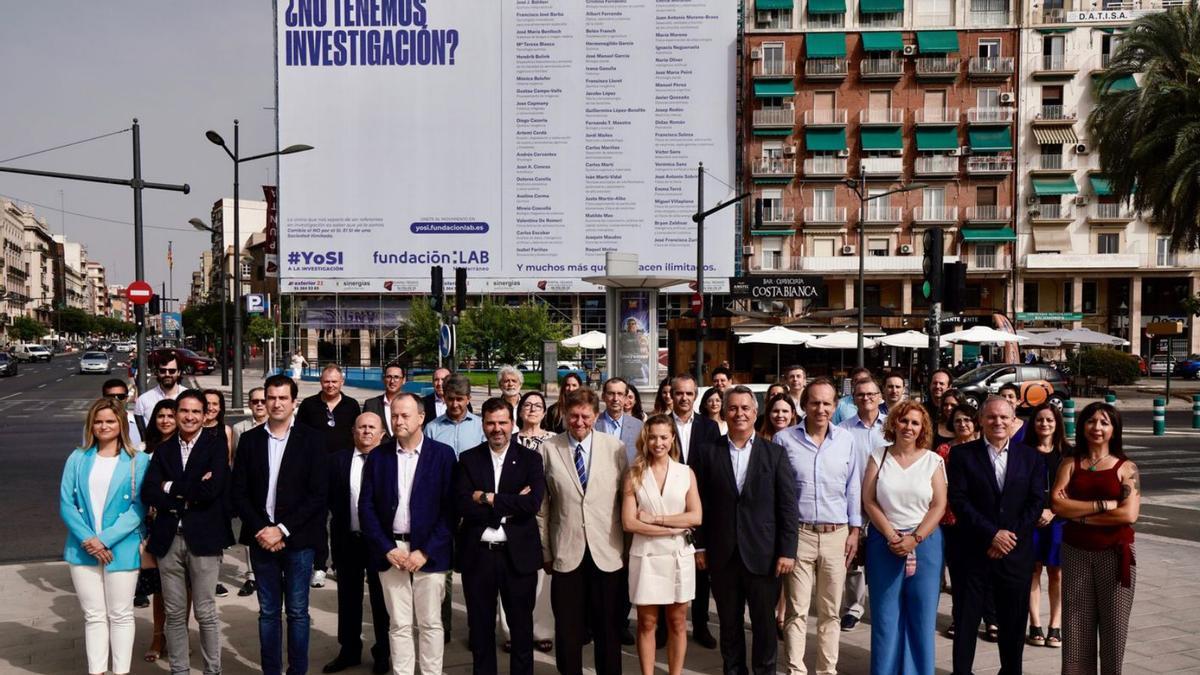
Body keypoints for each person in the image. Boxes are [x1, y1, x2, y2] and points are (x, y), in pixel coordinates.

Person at [693, 385, 799, 675]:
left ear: (755, 413)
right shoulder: (706, 453)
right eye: (733, 408)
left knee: (764, 625)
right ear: (724, 413)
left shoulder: (774, 453)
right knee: (729, 623)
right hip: (722, 554)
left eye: (745, 408)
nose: (739, 413)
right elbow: (697, 502)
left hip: (764, 556)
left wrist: (787, 551)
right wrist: (699, 546)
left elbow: (788, 507)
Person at [232, 374, 330, 675]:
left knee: (298, 613)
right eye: (270, 397)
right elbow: (240, 492)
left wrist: (283, 529)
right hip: (261, 539)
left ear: (294, 403)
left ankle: (297, 670)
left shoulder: (312, 439)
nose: (275, 403)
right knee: (269, 613)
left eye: (282, 398)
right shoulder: (250, 440)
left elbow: (318, 494)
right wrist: (264, 529)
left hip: (298, 540)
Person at [358, 392, 457, 675]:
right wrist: (387, 548)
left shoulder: (442, 455)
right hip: (392, 552)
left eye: (404, 415)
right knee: (398, 624)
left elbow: (450, 510)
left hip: (429, 554)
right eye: (394, 416)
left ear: (421, 418)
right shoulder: (379, 456)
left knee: (430, 623)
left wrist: (425, 551)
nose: (398, 421)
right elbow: (366, 508)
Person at [946, 397, 1046, 675]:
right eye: (991, 417)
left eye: (1004, 417)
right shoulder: (962, 455)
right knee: (966, 621)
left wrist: (1007, 537)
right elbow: (959, 500)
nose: (998, 422)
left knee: (1013, 622)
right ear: (981, 420)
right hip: (973, 553)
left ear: (1014, 421)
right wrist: (991, 535)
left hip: (1015, 555)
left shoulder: (1032, 458)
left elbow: (1036, 502)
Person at [538, 387, 629, 675]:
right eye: (573, 416)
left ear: (596, 415)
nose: (579, 422)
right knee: (567, 631)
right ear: (564, 415)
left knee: (608, 630)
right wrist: (546, 551)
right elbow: (543, 508)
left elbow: (624, 502)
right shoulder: (549, 449)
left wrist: (626, 549)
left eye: (585, 416)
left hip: (608, 552)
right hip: (567, 551)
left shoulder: (615, 448)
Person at [142, 389, 234, 675]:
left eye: (196, 411)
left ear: (205, 414)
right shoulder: (164, 448)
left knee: (205, 612)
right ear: (177, 413)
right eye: (184, 411)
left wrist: (169, 485)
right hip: (169, 538)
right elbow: (148, 491)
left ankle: (212, 670)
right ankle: (179, 670)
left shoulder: (216, 445)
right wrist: (189, 488)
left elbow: (212, 490)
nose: (189, 417)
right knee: (174, 613)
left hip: (204, 538)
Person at [774, 377, 861, 675]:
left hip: (836, 534)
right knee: (796, 610)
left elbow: (853, 488)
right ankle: (795, 670)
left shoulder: (847, 440)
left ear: (835, 406)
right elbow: (779, 491)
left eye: (826, 403)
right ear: (804, 405)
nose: (820, 409)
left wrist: (854, 530)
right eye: (815, 402)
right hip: (799, 534)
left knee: (830, 612)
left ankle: (827, 670)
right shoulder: (784, 439)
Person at [455, 398, 546, 675]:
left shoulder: (531, 459)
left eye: (503, 422)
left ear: (512, 424)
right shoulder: (469, 459)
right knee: (481, 631)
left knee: (521, 630)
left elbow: (532, 504)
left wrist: (487, 498)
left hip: (517, 556)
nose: (497, 429)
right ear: (483, 424)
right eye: (491, 423)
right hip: (479, 556)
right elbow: (462, 505)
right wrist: (508, 504)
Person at [60, 397, 150, 675]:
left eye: (110, 420)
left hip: (121, 548)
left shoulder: (138, 460)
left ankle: (121, 672)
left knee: (121, 615)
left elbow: (138, 508)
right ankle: (97, 671)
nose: (104, 426)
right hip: (82, 548)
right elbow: (66, 503)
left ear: (121, 423)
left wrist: (105, 539)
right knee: (94, 615)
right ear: (91, 425)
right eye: (98, 421)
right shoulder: (77, 458)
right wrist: (90, 540)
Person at [1051, 402, 1139, 675]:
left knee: (1114, 630)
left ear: (1114, 429)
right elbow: (1057, 504)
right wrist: (1103, 505)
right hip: (1076, 551)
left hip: (1115, 555)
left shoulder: (1126, 468)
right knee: (1076, 628)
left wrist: (1079, 514)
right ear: (1081, 426)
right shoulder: (1070, 463)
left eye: (1104, 422)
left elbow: (1128, 514)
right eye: (1091, 421)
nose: (1097, 428)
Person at [861, 401, 947, 675]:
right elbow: (869, 499)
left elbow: (939, 505)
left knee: (921, 617)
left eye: (915, 423)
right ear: (894, 423)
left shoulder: (933, 460)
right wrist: (890, 534)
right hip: (884, 541)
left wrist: (916, 538)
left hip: (925, 543)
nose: (908, 427)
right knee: (886, 617)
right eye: (904, 421)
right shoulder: (879, 456)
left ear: (923, 428)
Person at [622, 415, 702, 675]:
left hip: (678, 556)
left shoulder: (685, 472)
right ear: (646, 438)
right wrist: (674, 528)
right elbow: (629, 523)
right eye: (653, 436)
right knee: (647, 622)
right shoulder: (634, 473)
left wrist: (657, 520)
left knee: (677, 621)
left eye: (664, 437)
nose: (658, 442)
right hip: (646, 557)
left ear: (672, 439)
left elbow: (696, 516)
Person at [323, 412, 391, 674]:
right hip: (347, 540)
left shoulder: (389, 461)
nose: (366, 432)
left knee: (380, 600)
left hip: (380, 543)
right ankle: (349, 650)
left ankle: (383, 651)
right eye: (361, 427)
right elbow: (327, 500)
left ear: (382, 433)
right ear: (353, 431)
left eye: (372, 427)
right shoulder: (336, 461)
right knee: (348, 599)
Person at [296, 364, 361, 588]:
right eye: (326, 381)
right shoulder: (309, 405)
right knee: (318, 522)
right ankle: (320, 566)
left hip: (344, 471)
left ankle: (342, 564)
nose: (330, 385)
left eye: (334, 381)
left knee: (344, 520)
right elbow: (300, 437)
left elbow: (359, 436)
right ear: (320, 382)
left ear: (342, 382)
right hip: (315, 472)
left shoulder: (352, 405)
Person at [668, 372, 720, 649]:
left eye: (689, 393)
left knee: (701, 572)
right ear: (671, 394)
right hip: (668, 506)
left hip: (699, 504)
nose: (684, 398)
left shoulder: (709, 427)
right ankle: (667, 629)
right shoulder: (661, 424)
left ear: (695, 395)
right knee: (667, 570)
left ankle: (700, 626)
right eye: (679, 393)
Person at [504, 390, 556, 654]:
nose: (532, 409)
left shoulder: (556, 442)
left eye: (538, 405)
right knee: (512, 573)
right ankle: (512, 630)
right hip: (514, 514)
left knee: (542, 575)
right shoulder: (509, 440)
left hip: (546, 514)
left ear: (545, 412)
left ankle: (542, 630)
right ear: (519, 410)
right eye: (527, 405)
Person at [936, 403, 992, 640]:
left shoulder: (985, 449)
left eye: (967, 420)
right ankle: (959, 619)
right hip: (952, 518)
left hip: (981, 519)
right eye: (958, 420)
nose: (963, 424)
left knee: (985, 572)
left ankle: (991, 619)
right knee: (959, 573)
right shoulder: (944, 451)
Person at [837, 377, 889, 633]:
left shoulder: (892, 426)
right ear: (853, 398)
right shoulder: (843, 429)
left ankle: (882, 605)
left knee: (884, 555)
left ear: (880, 396)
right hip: (855, 501)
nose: (866, 398)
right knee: (853, 558)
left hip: (887, 503)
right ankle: (854, 607)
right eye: (860, 394)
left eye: (871, 394)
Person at [1027, 403, 1068, 649]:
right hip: (1030, 522)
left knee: (1056, 573)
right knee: (1032, 571)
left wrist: (1053, 510)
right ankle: (1035, 624)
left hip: (1058, 521)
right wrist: (1036, 512)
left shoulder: (1067, 453)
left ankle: (1055, 624)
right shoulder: (1023, 452)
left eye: (1049, 420)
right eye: (1040, 420)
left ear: (1057, 424)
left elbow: (1071, 490)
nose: (1044, 424)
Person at [231, 387, 269, 598]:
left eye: (263, 400)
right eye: (255, 401)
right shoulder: (240, 428)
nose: (260, 404)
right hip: (250, 489)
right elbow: (236, 459)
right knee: (249, 532)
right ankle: (251, 575)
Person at [425, 373, 486, 457]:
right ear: (444, 398)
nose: (454, 404)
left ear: (468, 399)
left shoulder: (481, 426)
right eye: (450, 399)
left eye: (459, 399)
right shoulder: (431, 429)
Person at [596, 377, 644, 462]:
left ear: (625, 398)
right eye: (611, 393)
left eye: (620, 394)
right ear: (603, 397)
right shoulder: (593, 424)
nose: (615, 399)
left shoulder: (638, 426)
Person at [134, 352, 183, 426]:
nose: (167, 374)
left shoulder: (190, 398)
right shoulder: (143, 400)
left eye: (172, 371)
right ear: (157, 372)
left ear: (179, 372)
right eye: (163, 371)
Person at [363, 363, 406, 441]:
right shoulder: (371, 405)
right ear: (383, 379)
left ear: (403, 380)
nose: (392, 381)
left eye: (396, 377)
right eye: (389, 377)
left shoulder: (412, 404)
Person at [102, 378, 143, 449]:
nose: (116, 400)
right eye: (111, 397)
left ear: (126, 398)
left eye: (121, 397)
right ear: (103, 398)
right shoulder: (93, 426)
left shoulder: (140, 423)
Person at [202, 388, 235, 462]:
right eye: (207, 403)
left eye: (215, 404)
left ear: (220, 408)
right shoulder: (192, 429)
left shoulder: (226, 430)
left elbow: (228, 461)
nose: (210, 408)